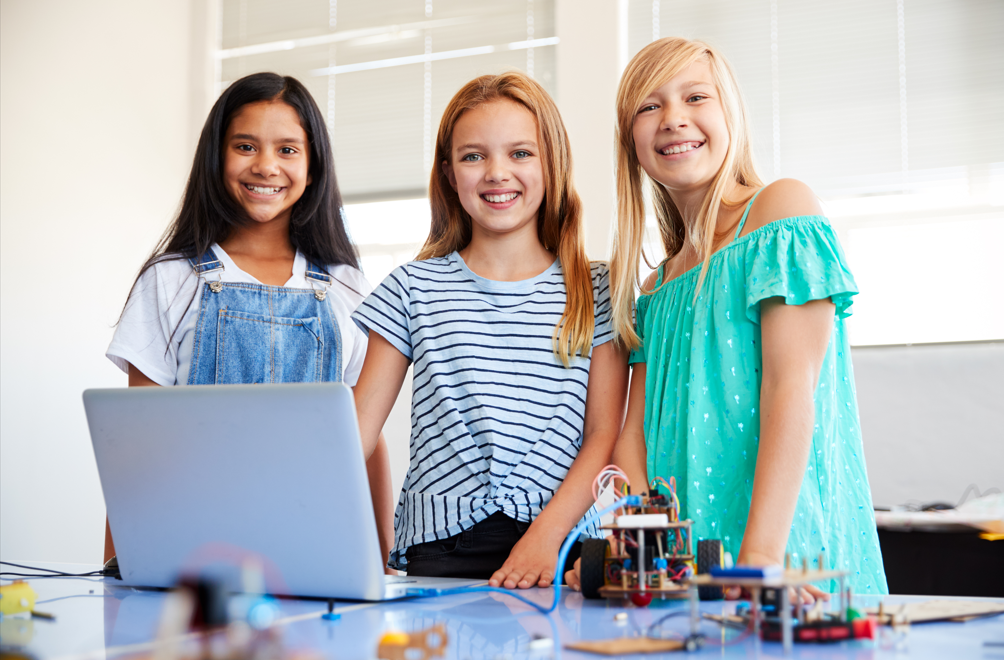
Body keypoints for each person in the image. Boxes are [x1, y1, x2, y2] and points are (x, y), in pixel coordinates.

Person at [567, 37, 887, 597]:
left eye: (695, 97)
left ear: (730, 113)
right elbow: (633, 438)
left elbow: (791, 389)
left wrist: (759, 558)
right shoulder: (656, 288)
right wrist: (640, 546)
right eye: (649, 106)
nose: (673, 118)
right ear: (630, 140)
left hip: (782, 550)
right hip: (690, 570)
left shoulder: (780, 212)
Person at [350, 72, 629, 590]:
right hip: (442, 548)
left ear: (552, 163)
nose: (497, 173)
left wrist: (546, 536)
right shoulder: (412, 287)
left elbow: (603, 435)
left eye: (520, 153)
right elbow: (355, 433)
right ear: (449, 173)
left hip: (563, 544)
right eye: (474, 156)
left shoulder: (598, 288)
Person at [105, 72, 394, 566]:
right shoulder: (169, 280)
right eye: (245, 146)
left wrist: (383, 561)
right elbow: (138, 445)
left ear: (312, 166)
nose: (266, 166)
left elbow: (365, 438)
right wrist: (118, 568)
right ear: (216, 157)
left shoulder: (346, 286)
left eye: (287, 149)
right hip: (192, 548)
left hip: (319, 547)